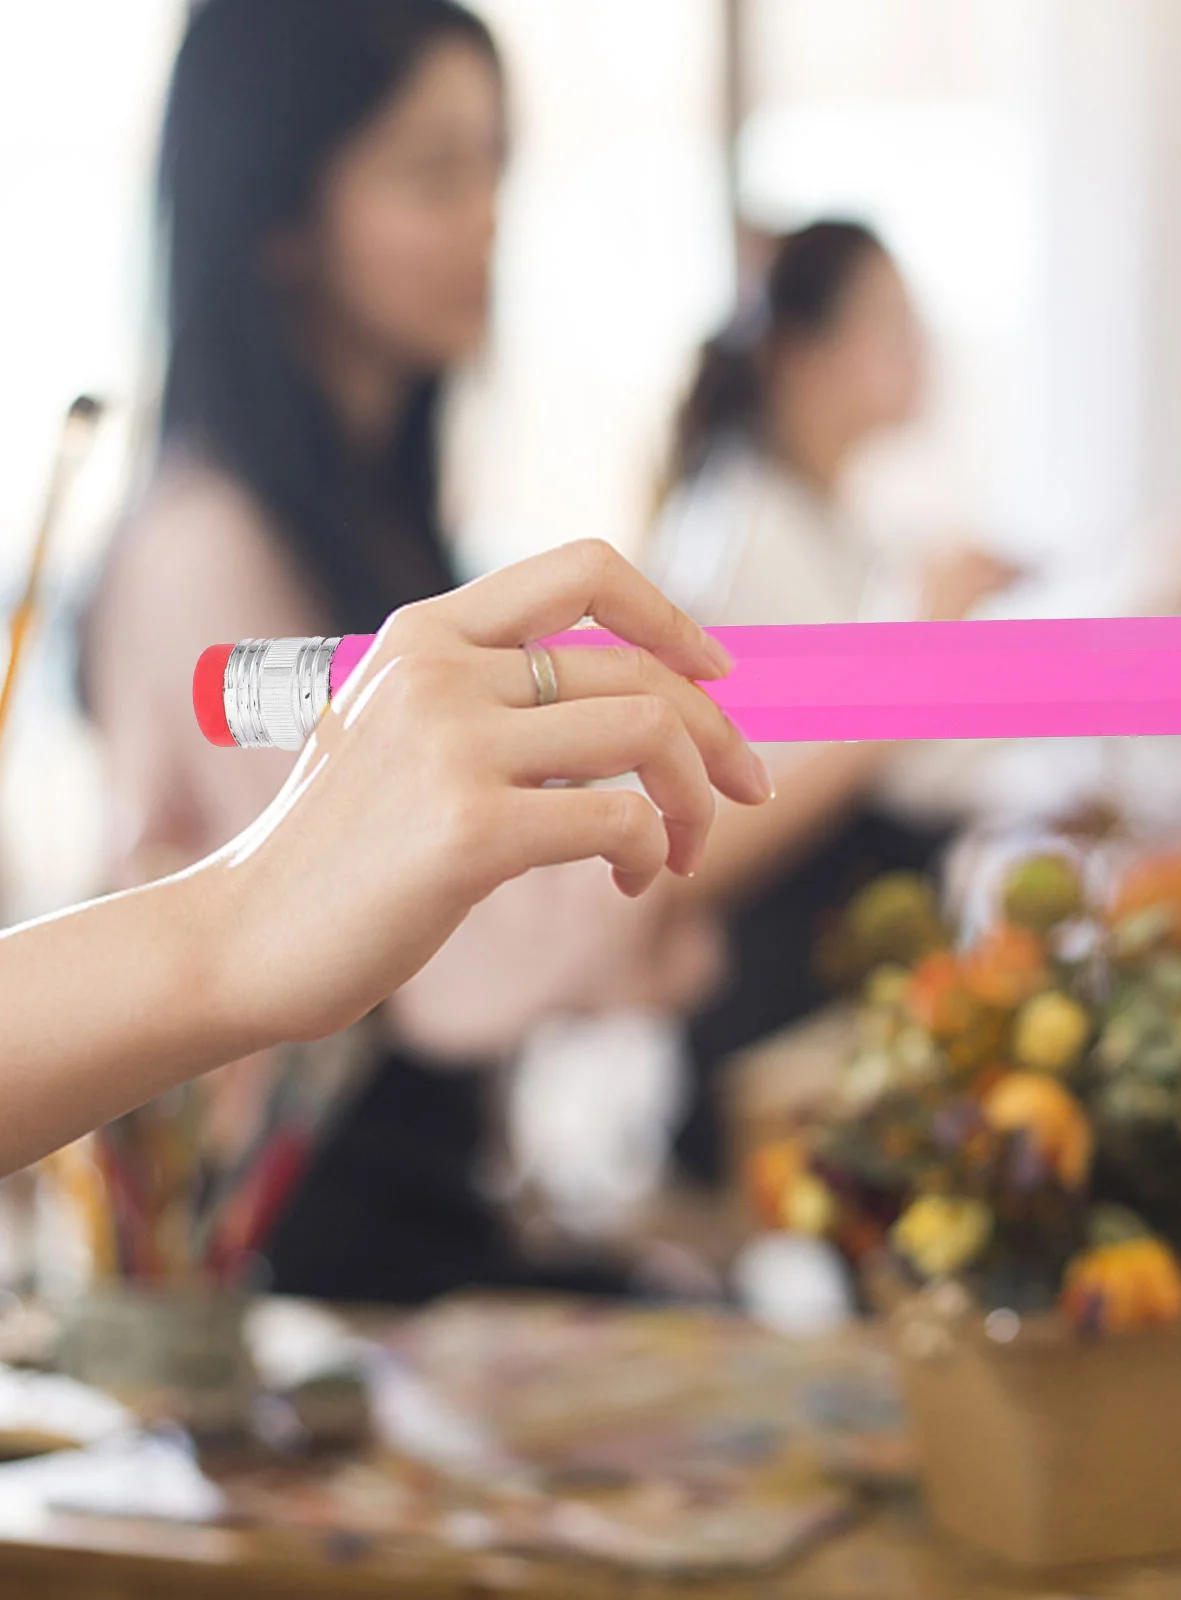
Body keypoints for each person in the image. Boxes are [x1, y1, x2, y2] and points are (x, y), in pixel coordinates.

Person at [82, 0, 721, 1301]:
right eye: (434, 174)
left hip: (409, 1226)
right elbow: (457, 972)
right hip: (292, 1271)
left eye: (494, 167)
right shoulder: (204, 546)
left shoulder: (384, 522)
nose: (487, 217)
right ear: (279, 220)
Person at [9, 544, 769, 1181]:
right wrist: (243, 924)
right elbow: (459, 973)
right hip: (325, 1187)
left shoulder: (371, 514)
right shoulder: (198, 550)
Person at [643, 222, 1016, 1182]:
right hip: (766, 1032)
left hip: (828, 1005)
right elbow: (707, 837)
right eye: (890, 323)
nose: (919, 350)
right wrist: (920, 658)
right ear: (802, 356)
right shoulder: (741, 534)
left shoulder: (825, 521)